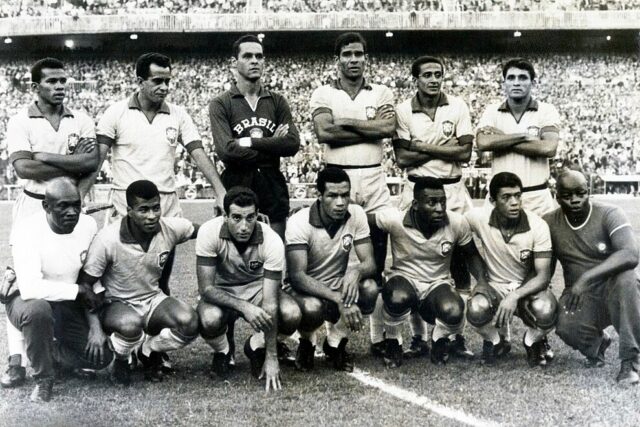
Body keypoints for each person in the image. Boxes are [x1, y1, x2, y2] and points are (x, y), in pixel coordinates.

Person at [2, 57, 99, 389]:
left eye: (63, 81)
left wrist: (44, 157)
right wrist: (72, 165)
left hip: (69, 206)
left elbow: (92, 162)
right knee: (22, 285)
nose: (60, 87)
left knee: (66, 273)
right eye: (52, 82)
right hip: (32, 204)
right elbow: (24, 170)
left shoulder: (80, 119)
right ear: (35, 87)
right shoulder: (20, 121)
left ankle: (56, 347)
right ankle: (15, 360)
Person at [309, 32, 395, 353]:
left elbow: (387, 129)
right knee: (330, 259)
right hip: (336, 179)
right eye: (347, 54)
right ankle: (328, 332)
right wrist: (363, 128)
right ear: (338, 60)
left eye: (359, 54)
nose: (354, 59)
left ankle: (379, 337)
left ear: (366, 57)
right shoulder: (323, 92)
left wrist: (344, 122)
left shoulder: (382, 91)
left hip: (373, 179)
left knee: (375, 258)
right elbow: (323, 132)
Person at [77, 180, 200, 384]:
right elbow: (85, 285)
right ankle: (121, 359)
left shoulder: (170, 228)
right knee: (130, 324)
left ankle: (148, 350)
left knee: (190, 321)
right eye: (143, 210)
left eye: (155, 208)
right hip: (117, 304)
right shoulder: (107, 239)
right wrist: (95, 327)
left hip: (152, 299)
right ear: (130, 211)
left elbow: (206, 231)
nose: (152, 216)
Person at [392, 55, 475, 355]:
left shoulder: (458, 106)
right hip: (415, 188)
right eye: (426, 74)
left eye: (438, 74)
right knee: (412, 263)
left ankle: (454, 335)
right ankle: (418, 337)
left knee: (457, 263)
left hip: (452, 191)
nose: (433, 79)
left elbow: (465, 153)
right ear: (415, 79)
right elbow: (402, 158)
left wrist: (422, 147)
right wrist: (444, 151)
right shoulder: (403, 110)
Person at [5, 177, 111, 402]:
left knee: (100, 358)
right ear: (46, 206)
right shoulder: (27, 230)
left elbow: (90, 278)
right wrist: (78, 292)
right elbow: (30, 288)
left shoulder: (88, 225)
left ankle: (51, 351)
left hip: (66, 303)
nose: (72, 212)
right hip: (25, 301)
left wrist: (95, 327)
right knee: (38, 310)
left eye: (76, 205)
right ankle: (43, 379)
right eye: (63, 206)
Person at [369, 177, 487, 368]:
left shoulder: (456, 222)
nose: (439, 208)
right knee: (397, 296)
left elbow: (472, 255)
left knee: (454, 310)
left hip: (436, 283)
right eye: (431, 202)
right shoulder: (395, 219)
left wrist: (482, 281)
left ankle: (438, 339)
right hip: (403, 279)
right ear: (415, 204)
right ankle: (393, 341)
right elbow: (365, 221)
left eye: (442, 201)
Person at [195, 187, 301, 391]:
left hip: (256, 289)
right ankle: (224, 349)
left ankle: (256, 344)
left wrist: (271, 356)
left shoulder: (271, 240)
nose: (244, 226)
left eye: (250, 218)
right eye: (236, 218)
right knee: (209, 319)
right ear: (224, 216)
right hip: (221, 290)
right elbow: (206, 288)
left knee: (291, 314)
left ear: (258, 215)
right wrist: (244, 307)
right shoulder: (209, 232)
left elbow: (269, 301)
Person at [544, 171, 640, 385]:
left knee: (626, 279)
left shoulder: (609, 213)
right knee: (565, 325)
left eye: (580, 193)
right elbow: (545, 269)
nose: (575, 200)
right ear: (557, 196)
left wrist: (586, 278)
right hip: (581, 295)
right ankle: (597, 346)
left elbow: (631, 254)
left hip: (614, 287)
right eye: (567, 195)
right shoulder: (549, 222)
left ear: (589, 191)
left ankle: (630, 362)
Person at [286, 167, 378, 372]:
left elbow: (370, 262)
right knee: (312, 309)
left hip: (335, 281)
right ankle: (307, 342)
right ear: (319, 196)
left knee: (370, 288)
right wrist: (339, 299)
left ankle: (336, 342)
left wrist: (356, 272)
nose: (340, 202)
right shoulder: (299, 222)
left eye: (345, 195)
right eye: (332, 196)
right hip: (305, 288)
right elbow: (297, 276)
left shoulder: (356, 214)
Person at [209, 34, 300, 240]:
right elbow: (226, 151)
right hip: (236, 181)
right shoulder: (221, 103)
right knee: (235, 253)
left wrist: (247, 142)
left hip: (272, 182)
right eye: (248, 56)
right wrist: (273, 144)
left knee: (275, 250)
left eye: (259, 57)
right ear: (234, 62)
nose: (254, 61)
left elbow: (292, 144)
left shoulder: (277, 101)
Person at [465, 172, 558, 367]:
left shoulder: (537, 225)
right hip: (495, 287)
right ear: (492, 201)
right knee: (475, 308)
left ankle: (532, 341)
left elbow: (543, 275)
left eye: (517, 195)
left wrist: (515, 296)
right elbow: (458, 232)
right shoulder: (478, 218)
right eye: (506, 197)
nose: (514, 202)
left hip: (527, 288)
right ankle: (496, 341)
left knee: (547, 310)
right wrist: (481, 280)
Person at [476, 58, 561, 216]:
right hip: (500, 197)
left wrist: (501, 138)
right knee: (495, 241)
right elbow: (482, 143)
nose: (516, 83)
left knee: (540, 240)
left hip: (537, 197)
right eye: (511, 78)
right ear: (504, 83)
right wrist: (524, 136)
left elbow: (548, 148)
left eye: (522, 78)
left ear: (533, 83)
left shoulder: (546, 110)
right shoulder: (491, 111)